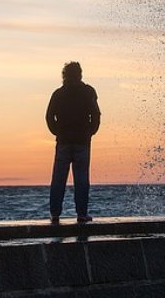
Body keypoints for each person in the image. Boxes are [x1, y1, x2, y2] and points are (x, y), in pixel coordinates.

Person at [45, 61, 100, 223]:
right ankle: (81, 214)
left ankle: (55, 213)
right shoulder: (88, 92)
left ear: (64, 75)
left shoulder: (58, 93)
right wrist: (90, 132)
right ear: (80, 74)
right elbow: (96, 115)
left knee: (58, 178)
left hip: (64, 141)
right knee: (81, 179)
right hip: (82, 141)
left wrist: (58, 132)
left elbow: (49, 116)